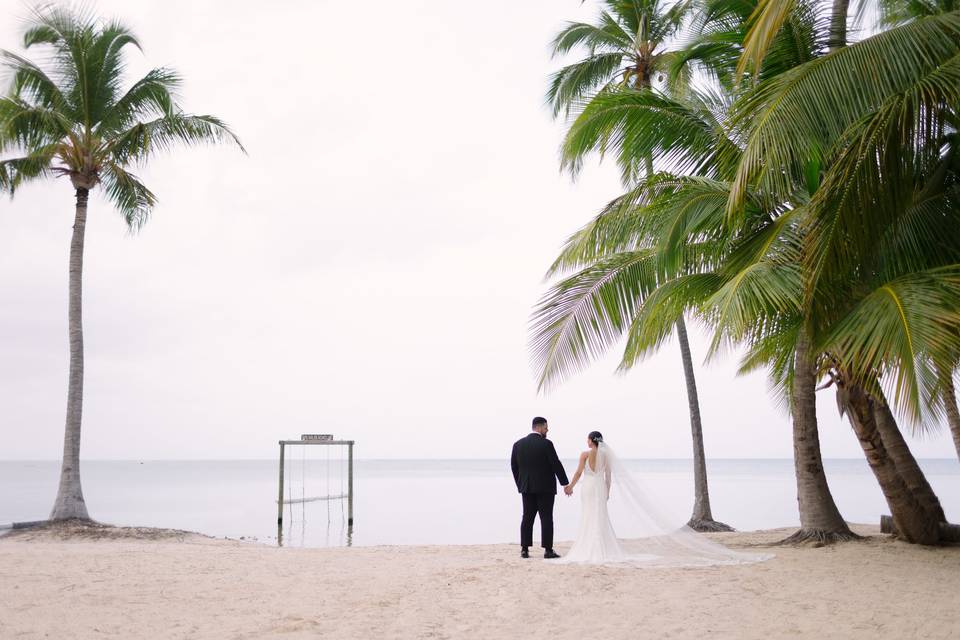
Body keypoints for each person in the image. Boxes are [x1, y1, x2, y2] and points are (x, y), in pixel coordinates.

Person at [556, 430, 773, 567]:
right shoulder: (606, 455)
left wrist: (570, 487)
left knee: (588, 517)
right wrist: (608, 492)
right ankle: (602, 546)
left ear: (589, 441)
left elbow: (577, 474)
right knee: (599, 518)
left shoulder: (585, 455)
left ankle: (588, 547)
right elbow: (609, 476)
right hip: (599, 489)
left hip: (588, 488)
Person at [510, 416, 569, 559]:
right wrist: (565, 483)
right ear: (539, 427)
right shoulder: (546, 444)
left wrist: (521, 484)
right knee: (546, 518)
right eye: (546, 427)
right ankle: (548, 550)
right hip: (546, 488)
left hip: (527, 487)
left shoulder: (518, 444)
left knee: (527, 517)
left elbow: (514, 467)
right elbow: (556, 464)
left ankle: (524, 550)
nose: (547, 430)